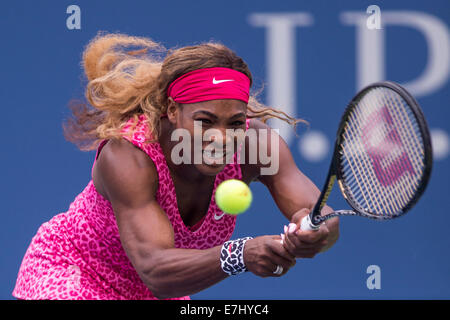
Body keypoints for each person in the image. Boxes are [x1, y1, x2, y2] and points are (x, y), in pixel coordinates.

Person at [13, 33, 339, 300]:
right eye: (205, 121)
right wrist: (240, 254)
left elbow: (319, 213)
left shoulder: (257, 144)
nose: (221, 138)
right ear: (172, 110)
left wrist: (314, 231)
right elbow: (156, 270)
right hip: (74, 277)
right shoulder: (128, 156)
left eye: (235, 122)